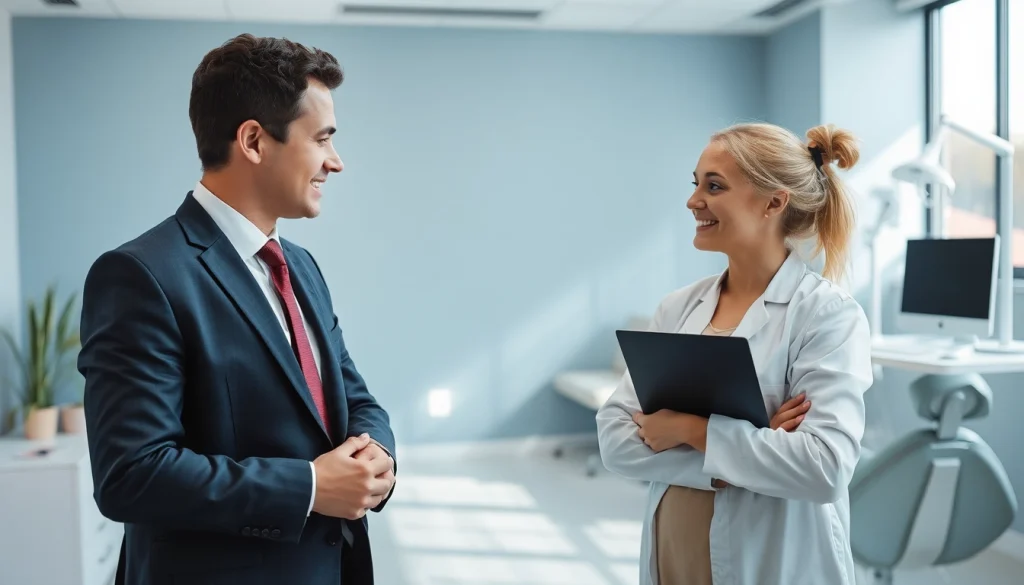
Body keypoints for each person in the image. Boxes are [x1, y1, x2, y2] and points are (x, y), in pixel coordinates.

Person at [77, 34, 396, 585]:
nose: (336, 163)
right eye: (322, 139)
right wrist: (313, 487)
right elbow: (131, 474)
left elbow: (353, 395)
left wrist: (378, 456)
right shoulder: (140, 275)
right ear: (253, 140)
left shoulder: (302, 267)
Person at [596, 122, 873, 585]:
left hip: (769, 559)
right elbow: (615, 439)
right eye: (696, 183)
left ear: (773, 201)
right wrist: (751, 446)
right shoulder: (679, 307)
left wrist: (689, 429)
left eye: (715, 185)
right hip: (673, 552)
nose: (693, 200)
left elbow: (823, 468)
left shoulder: (826, 315)